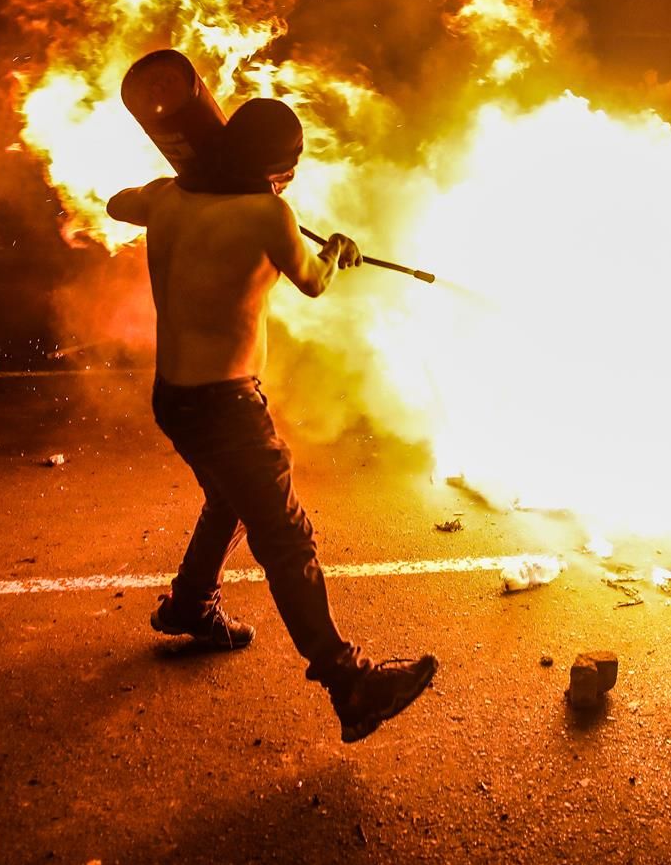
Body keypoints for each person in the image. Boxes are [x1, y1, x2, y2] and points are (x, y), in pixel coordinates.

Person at [107, 96, 438, 743]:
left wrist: (179, 177)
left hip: (174, 397)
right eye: (288, 168)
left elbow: (119, 205)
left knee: (227, 499)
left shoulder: (166, 198)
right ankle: (350, 685)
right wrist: (339, 251)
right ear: (274, 168)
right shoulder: (268, 213)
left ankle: (190, 606)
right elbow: (313, 282)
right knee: (287, 539)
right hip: (227, 405)